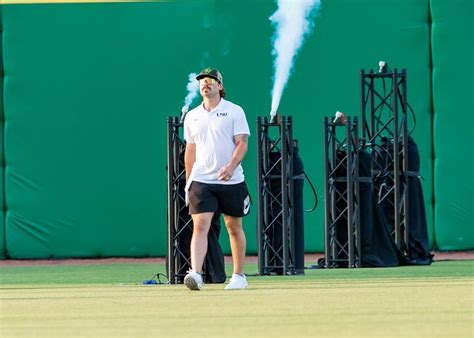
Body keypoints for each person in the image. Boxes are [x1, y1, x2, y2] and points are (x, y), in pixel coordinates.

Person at [183, 67, 250, 291]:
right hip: (202, 180)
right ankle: (196, 274)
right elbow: (190, 150)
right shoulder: (192, 116)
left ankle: (239, 276)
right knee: (200, 226)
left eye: (211, 80)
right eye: (202, 81)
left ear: (220, 86)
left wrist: (231, 167)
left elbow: (242, 143)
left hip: (231, 180)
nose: (206, 84)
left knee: (233, 226)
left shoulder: (234, 111)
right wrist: (189, 181)